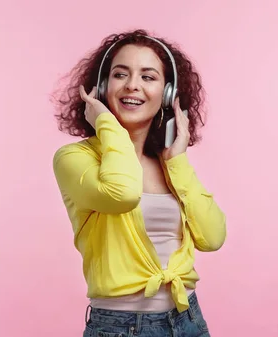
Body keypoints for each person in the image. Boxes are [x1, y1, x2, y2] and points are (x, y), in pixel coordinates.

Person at [52, 28, 226, 337]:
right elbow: (123, 194)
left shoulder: (167, 163)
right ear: (102, 87)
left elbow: (212, 237)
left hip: (187, 320)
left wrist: (178, 160)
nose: (133, 85)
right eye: (120, 74)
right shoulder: (74, 158)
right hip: (121, 327)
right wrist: (106, 121)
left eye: (148, 77)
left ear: (168, 94)